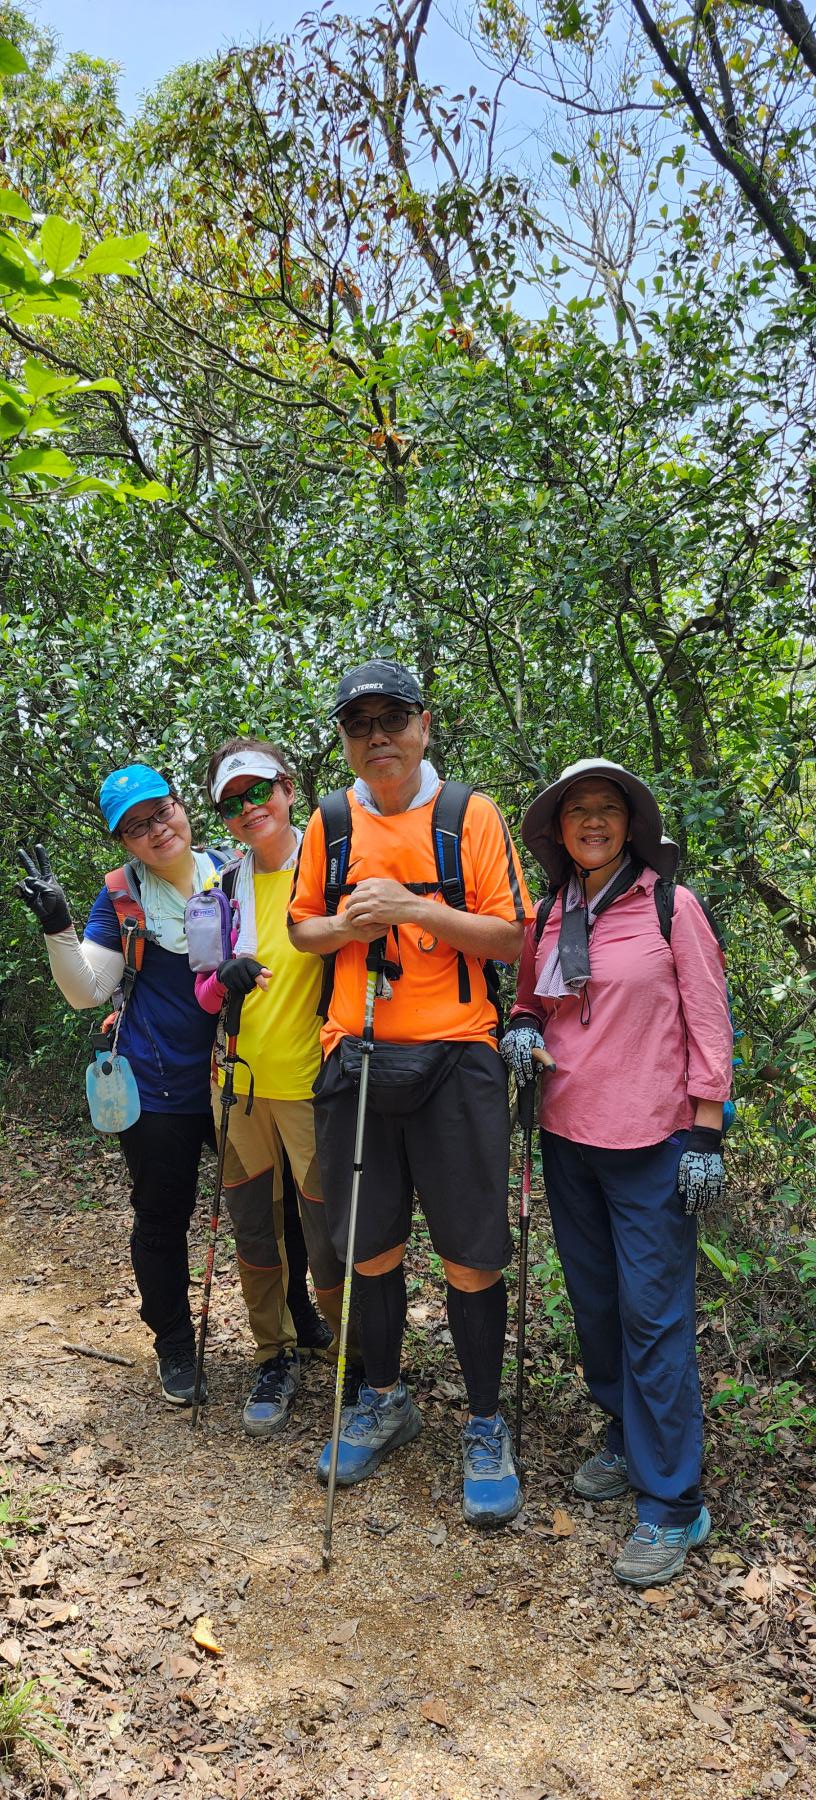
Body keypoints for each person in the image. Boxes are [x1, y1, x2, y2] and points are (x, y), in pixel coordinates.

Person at [288, 656, 533, 1526]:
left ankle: (485, 1424)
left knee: (471, 1254)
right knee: (369, 1248)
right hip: (354, 1057)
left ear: (424, 726)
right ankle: (385, 1399)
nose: (378, 736)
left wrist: (416, 910)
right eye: (359, 725)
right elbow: (303, 929)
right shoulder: (329, 822)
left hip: (458, 1057)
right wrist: (344, 924)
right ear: (346, 741)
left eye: (393, 718)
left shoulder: (470, 815)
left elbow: (511, 937)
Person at [15, 763, 327, 1408]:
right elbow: (89, 991)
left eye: (161, 812)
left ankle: (297, 1314)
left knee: (277, 1208)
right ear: (123, 841)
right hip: (157, 1085)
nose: (156, 830)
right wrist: (58, 928)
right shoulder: (124, 897)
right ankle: (176, 1343)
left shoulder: (234, 871)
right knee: (162, 1215)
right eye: (136, 827)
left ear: (181, 807)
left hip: (240, 1076)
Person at [500, 758, 733, 1586]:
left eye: (607, 809)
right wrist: (522, 1027)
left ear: (631, 825)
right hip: (568, 1140)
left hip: (654, 1145)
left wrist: (707, 1133)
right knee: (597, 1307)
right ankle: (627, 1435)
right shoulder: (550, 912)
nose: (592, 822)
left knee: (654, 1317)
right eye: (578, 812)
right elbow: (531, 1001)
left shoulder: (672, 907)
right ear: (559, 831)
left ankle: (674, 1501)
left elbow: (709, 1020)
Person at [193, 737, 348, 1439]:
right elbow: (202, 990)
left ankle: (356, 1358)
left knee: (329, 1232)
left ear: (287, 789)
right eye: (232, 803)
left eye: (259, 791)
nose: (249, 808)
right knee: (255, 1228)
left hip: (315, 1085)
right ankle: (272, 1355)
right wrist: (221, 983)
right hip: (238, 1085)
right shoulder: (220, 890)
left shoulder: (333, 871)